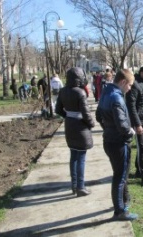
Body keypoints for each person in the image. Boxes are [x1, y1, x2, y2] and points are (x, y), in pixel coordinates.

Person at [96, 69, 138, 221]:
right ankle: (119, 211)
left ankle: (122, 203)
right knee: (120, 178)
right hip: (119, 143)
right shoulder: (117, 98)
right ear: (122, 82)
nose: (130, 88)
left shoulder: (106, 93)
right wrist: (130, 133)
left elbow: (98, 116)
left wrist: (108, 128)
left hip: (109, 139)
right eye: (129, 85)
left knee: (118, 175)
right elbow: (122, 125)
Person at [55, 67, 95, 197]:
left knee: (73, 156)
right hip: (80, 127)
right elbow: (86, 113)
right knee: (81, 157)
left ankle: (74, 185)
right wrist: (91, 124)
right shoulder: (80, 92)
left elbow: (58, 110)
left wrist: (68, 116)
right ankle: (80, 187)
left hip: (70, 125)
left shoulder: (63, 91)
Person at [126, 66, 143, 188]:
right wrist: (137, 124)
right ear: (142, 73)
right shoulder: (135, 85)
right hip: (140, 124)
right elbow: (131, 106)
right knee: (141, 149)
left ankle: (138, 169)